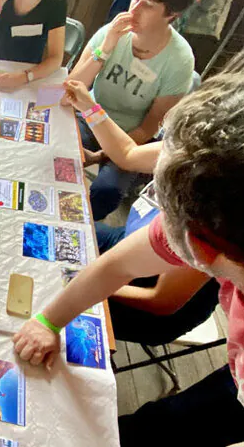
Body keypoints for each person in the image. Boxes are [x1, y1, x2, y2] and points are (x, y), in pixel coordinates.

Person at [14, 50, 244, 447]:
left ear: (198, 248)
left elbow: (158, 297)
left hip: (240, 372)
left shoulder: (206, 228)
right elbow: (117, 264)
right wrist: (48, 321)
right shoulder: (215, 206)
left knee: (164, 429)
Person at [64, 79, 218, 345]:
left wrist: (84, 281)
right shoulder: (191, 150)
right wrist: (89, 108)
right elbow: (127, 153)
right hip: (131, 243)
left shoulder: (213, 216)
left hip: (150, 304)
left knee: (56, 293)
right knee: (60, 232)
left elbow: (160, 301)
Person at [67, 0, 199, 221]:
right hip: (91, 115)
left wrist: (101, 156)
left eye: (148, 5)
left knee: (107, 191)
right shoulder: (111, 31)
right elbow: (73, 87)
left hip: (130, 135)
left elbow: (148, 128)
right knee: (52, 152)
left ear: (171, 14)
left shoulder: (179, 61)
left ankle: (80, 224)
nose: (134, 10)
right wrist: (106, 47)